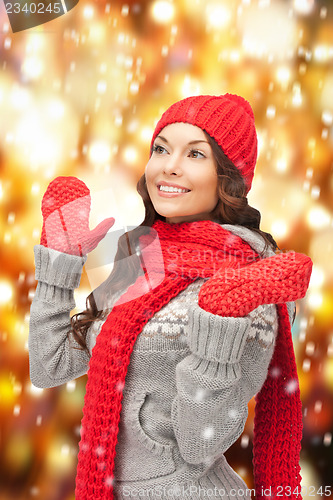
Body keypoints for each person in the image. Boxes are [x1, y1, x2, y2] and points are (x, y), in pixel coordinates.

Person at [28, 94, 312, 500]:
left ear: (228, 179)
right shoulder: (138, 253)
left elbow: (201, 445)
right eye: (161, 148)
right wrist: (59, 266)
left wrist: (219, 321)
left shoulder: (252, 281)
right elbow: (50, 366)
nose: (169, 165)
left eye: (195, 154)